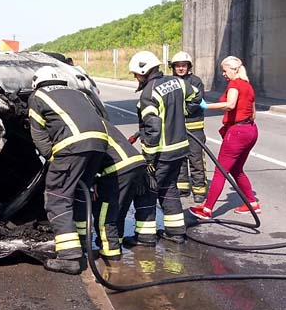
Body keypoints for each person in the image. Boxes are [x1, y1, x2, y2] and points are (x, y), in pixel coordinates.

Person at [28, 66, 109, 274]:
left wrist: (53, 159)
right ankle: (82, 244)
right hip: (99, 143)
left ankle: (69, 257)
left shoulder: (38, 96)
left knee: (57, 198)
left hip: (71, 146)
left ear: (37, 82)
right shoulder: (78, 93)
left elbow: (38, 136)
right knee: (81, 194)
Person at [129, 51, 200, 244]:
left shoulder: (148, 93)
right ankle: (176, 232)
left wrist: (149, 158)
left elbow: (152, 128)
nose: (136, 78)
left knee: (146, 191)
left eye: (136, 74)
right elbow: (196, 96)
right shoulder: (178, 82)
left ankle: (145, 236)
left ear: (143, 71)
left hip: (161, 153)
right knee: (169, 188)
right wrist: (182, 112)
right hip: (180, 150)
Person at [189, 56, 258, 220]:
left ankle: (206, 209)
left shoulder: (235, 84)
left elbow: (230, 105)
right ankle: (252, 202)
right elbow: (253, 114)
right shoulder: (248, 86)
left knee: (220, 170)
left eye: (224, 70)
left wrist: (205, 106)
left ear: (233, 69)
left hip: (238, 132)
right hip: (251, 130)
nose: (223, 74)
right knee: (236, 169)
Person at [74, 119, 148, 254]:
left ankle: (111, 252)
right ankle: (116, 243)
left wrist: (92, 181)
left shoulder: (85, 124)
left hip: (118, 169)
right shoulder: (98, 121)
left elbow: (90, 156)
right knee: (118, 212)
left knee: (105, 215)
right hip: (136, 164)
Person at [170, 51, 209, 204]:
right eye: (178, 66)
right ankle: (182, 187)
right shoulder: (170, 82)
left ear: (188, 66)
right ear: (173, 67)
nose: (180, 68)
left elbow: (196, 101)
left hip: (194, 128)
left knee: (196, 159)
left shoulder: (196, 81)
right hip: (177, 129)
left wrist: (180, 111)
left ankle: (199, 190)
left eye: (183, 65)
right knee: (179, 159)